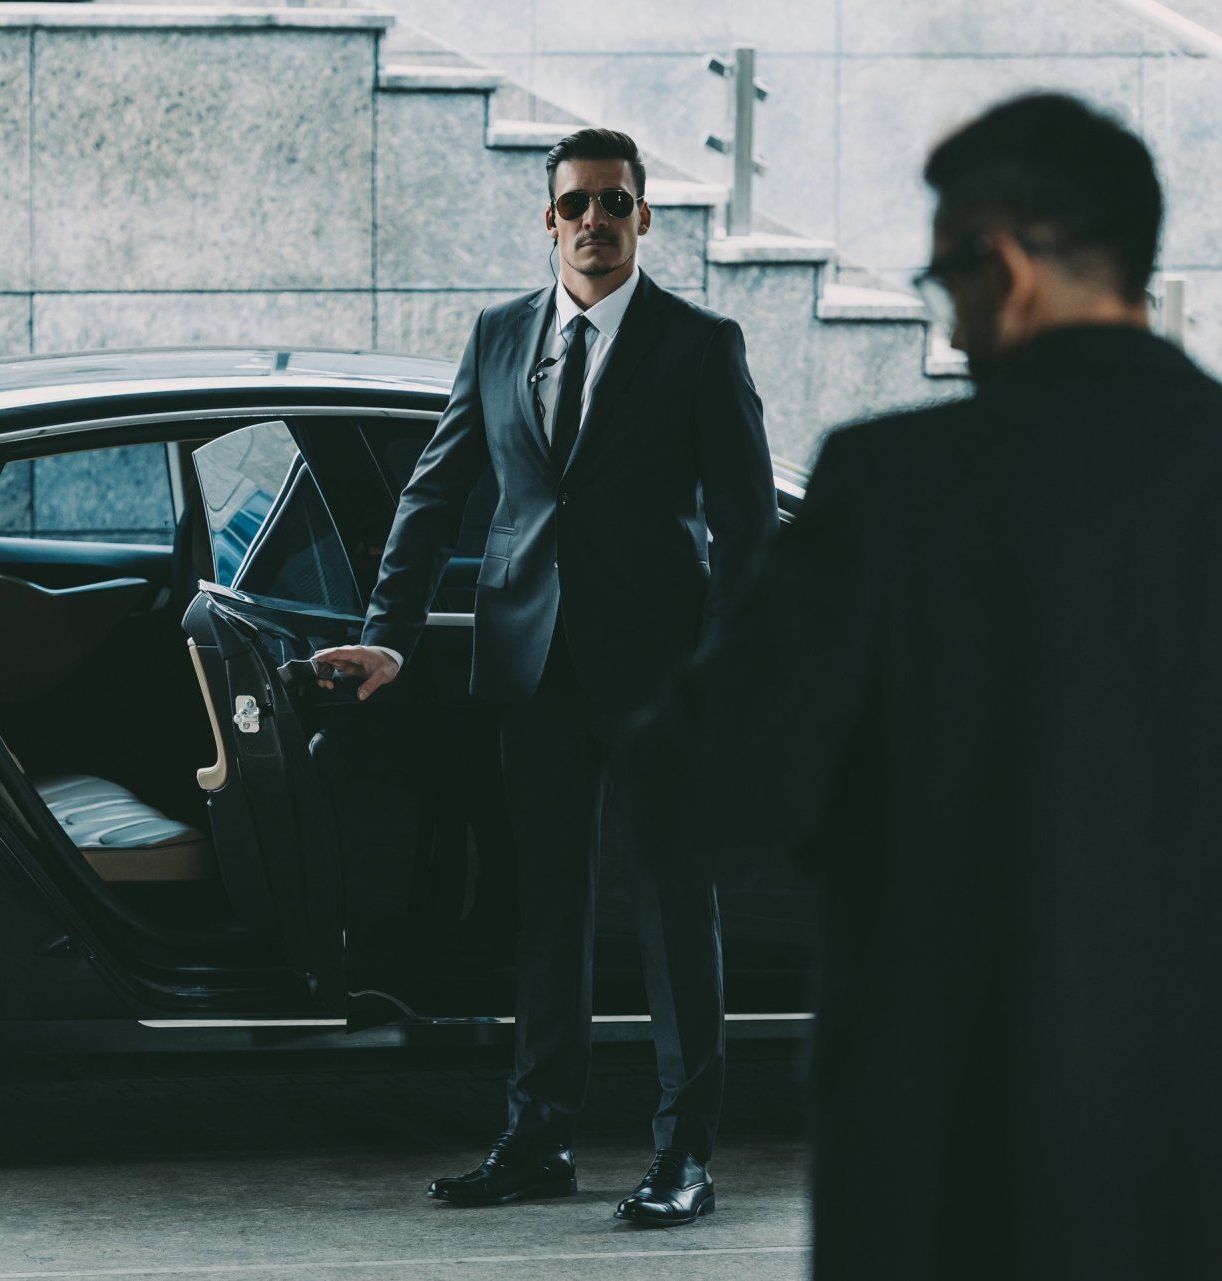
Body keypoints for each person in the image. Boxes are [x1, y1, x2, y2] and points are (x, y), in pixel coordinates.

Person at [624, 92, 1222, 1277]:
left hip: (962, 1178)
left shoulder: (893, 490)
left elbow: (690, 801)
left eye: (946, 281)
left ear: (1002, 264)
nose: (951, 327)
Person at [313, 127, 777, 1226]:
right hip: (531, 670)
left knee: (674, 917)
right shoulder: (498, 337)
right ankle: (538, 1142)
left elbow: (749, 532)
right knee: (546, 918)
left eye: (617, 203)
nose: (596, 222)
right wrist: (391, 633)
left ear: (645, 218)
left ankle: (686, 1159)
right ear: (550, 217)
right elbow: (434, 497)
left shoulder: (700, 345)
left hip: (662, 679)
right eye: (577, 204)